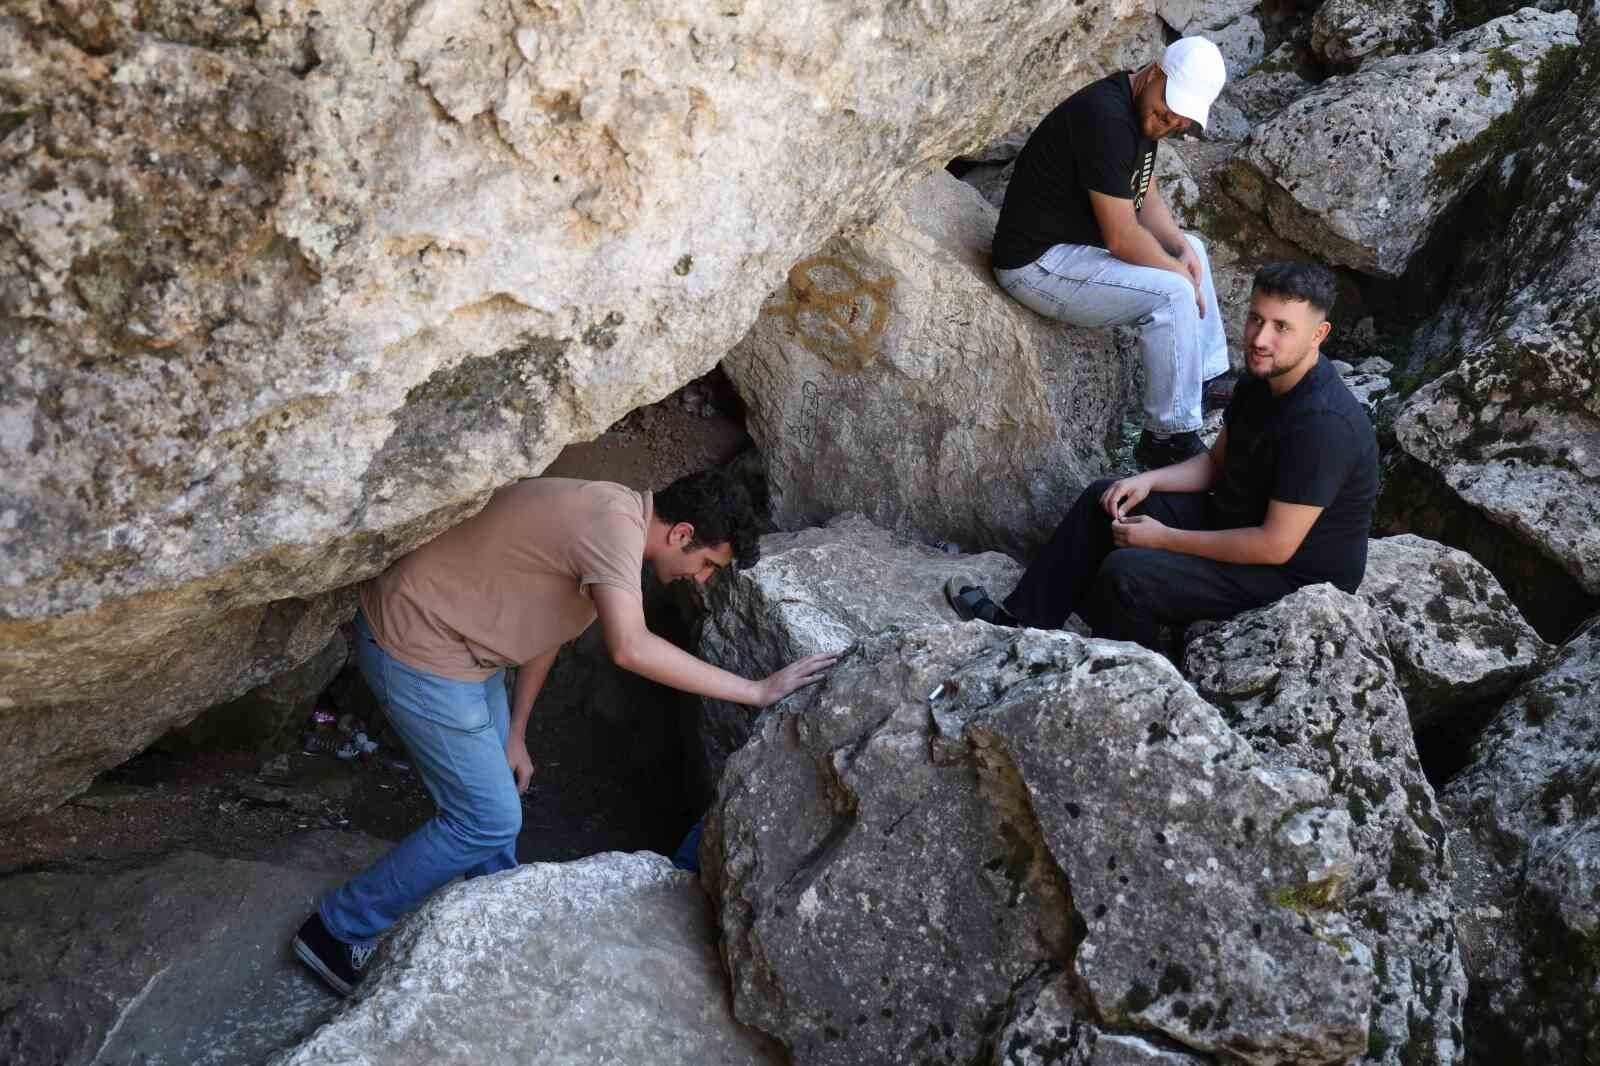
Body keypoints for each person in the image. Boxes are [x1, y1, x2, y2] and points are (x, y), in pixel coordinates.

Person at [291, 469, 837, 996]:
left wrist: (517, 730)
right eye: (708, 564)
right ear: (682, 534)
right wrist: (755, 690)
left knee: (498, 800)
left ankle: (490, 915)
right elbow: (630, 647)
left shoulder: (617, 520)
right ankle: (338, 930)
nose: (702, 579)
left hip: (463, 647)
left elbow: (548, 629)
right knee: (486, 818)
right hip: (417, 645)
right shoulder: (612, 528)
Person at [945, 260, 1378, 652]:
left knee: (1128, 573)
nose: (1261, 339)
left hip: (1292, 577)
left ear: (1318, 335)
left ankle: (1140, 679)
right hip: (1240, 522)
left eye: (1282, 327)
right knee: (1106, 499)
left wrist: (1164, 539)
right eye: (1256, 319)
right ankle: (1023, 625)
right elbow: (1215, 466)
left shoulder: (1323, 425)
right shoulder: (1259, 379)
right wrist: (1146, 481)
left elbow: (1275, 546)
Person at [991, 37, 1233, 471]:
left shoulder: (1139, 110)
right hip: (1036, 264)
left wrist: (1178, 246)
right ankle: (1166, 438)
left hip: (1076, 249)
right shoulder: (1105, 117)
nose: (1167, 124)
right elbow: (1122, 236)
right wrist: (1176, 271)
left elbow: (1145, 191)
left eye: (1178, 121)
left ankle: (1208, 379)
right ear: (1155, 72)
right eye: (1166, 112)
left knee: (1192, 247)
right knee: (1173, 293)